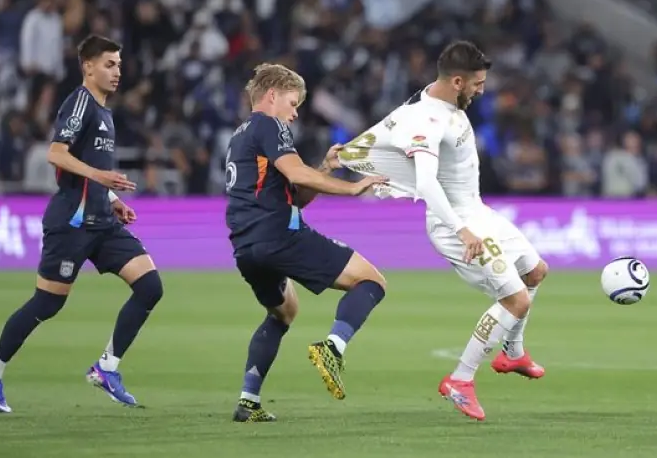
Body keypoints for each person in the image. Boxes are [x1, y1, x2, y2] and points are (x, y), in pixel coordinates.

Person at [337, 41, 548, 422]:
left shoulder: (437, 100)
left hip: (478, 211)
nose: (481, 90)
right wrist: (462, 230)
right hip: (455, 223)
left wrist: (349, 151)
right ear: (456, 81)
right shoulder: (428, 121)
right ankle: (460, 380)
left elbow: (391, 122)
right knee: (515, 300)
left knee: (536, 271)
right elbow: (427, 183)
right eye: (477, 84)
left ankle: (512, 354)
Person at [0, 35, 163, 413]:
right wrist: (101, 178)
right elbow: (56, 153)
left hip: (101, 221)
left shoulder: (105, 112)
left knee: (150, 285)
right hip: (71, 222)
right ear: (88, 66)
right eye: (109, 64)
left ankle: (107, 368)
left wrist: (112, 198)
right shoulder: (80, 102)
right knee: (47, 303)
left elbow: (86, 171)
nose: (117, 71)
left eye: (120, 64)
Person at [225, 63, 389, 422]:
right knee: (372, 281)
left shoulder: (241, 135)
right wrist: (353, 187)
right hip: (278, 235)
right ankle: (333, 347)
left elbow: (295, 194)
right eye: (293, 102)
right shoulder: (270, 125)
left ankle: (248, 401)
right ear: (271, 96)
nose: (296, 112)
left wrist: (326, 169)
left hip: (245, 247)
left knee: (284, 312)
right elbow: (296, 174)